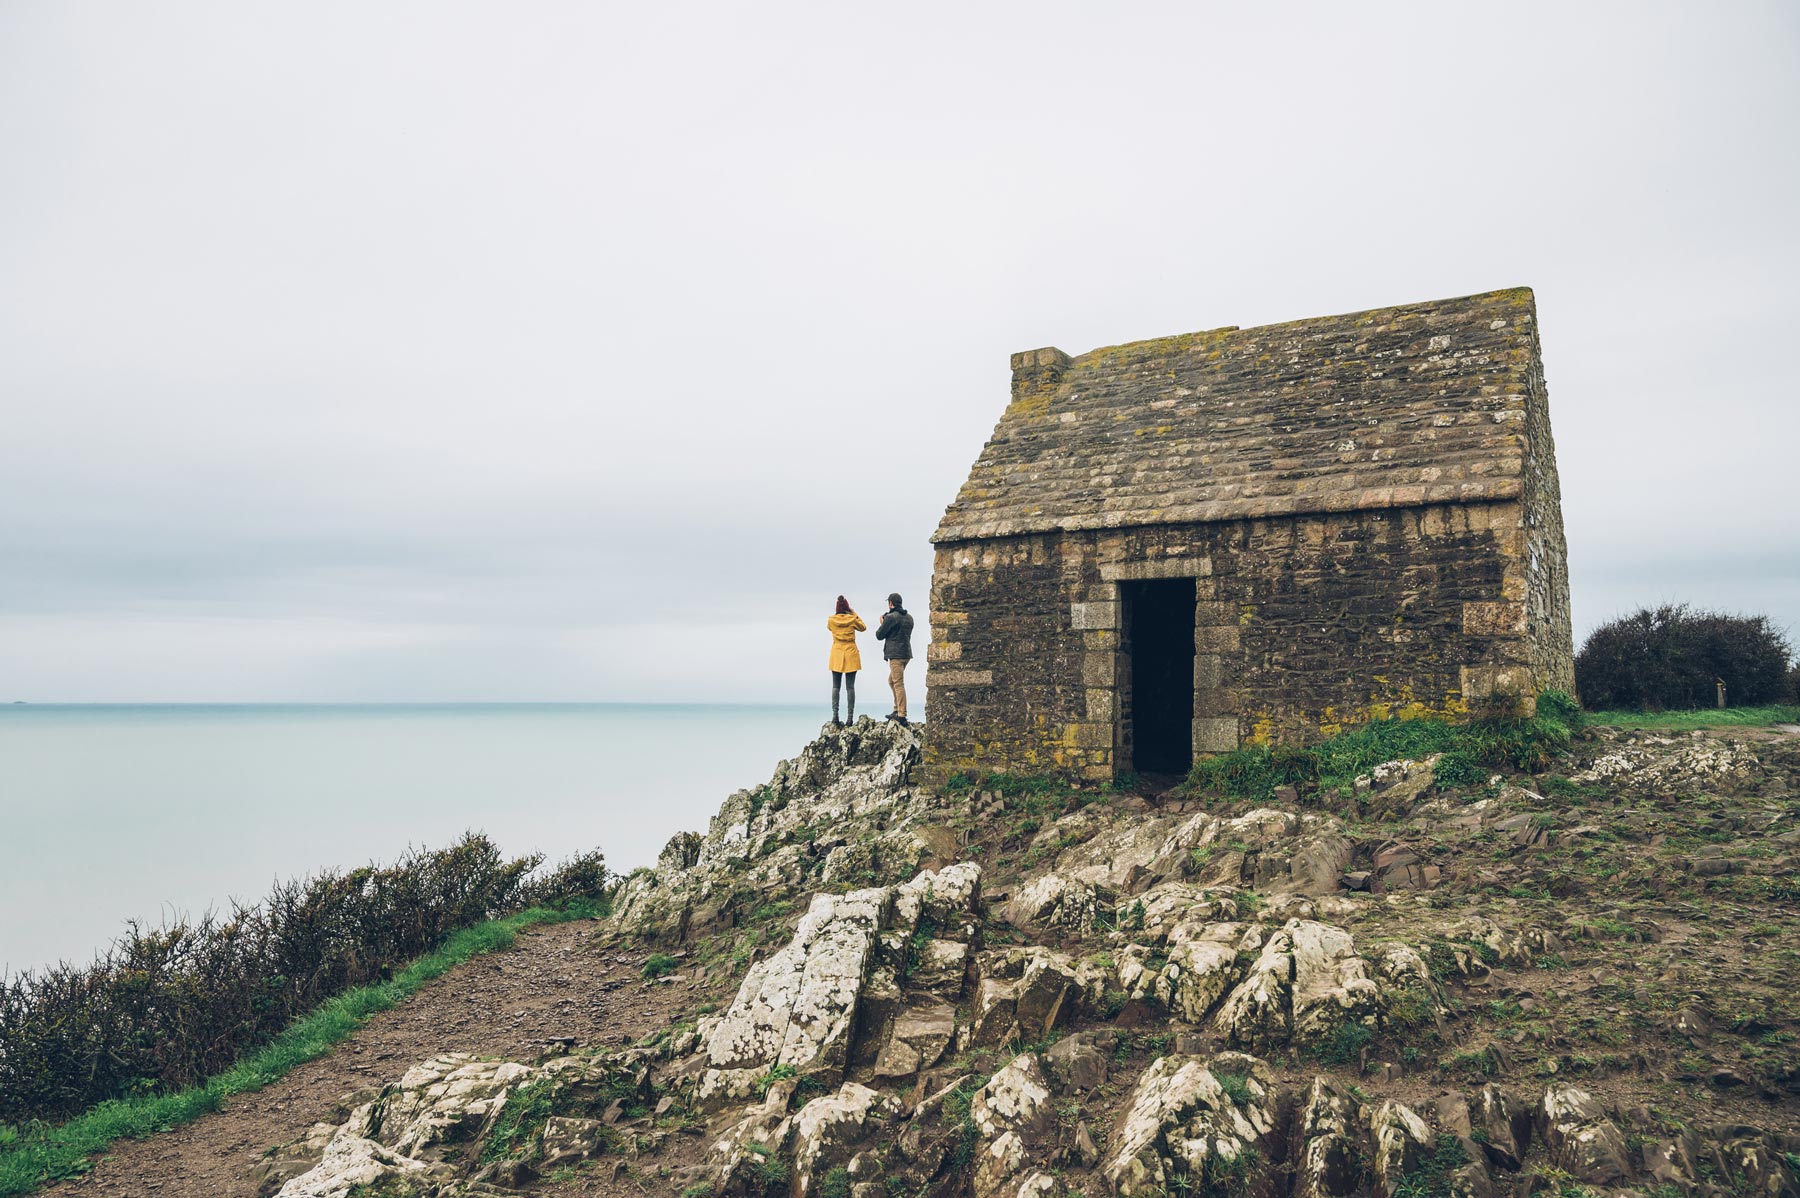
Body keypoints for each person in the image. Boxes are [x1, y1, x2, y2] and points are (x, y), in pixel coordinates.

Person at [875, 592, 915, 725]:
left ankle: (902, 715)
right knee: (891, 681)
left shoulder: (891, 618)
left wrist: (882, 622)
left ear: (891, 603)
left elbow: (879, 635)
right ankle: (896, 709)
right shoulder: (909, 618)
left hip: (895, 656)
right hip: (906, 654)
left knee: (898, 684)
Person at [827, 595, 865, 726]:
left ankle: (835, 716)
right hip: (851, 653)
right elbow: (863, 627)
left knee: (835, 686)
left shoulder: (831, 620)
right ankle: (850, 718)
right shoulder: (852, 619)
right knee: (850, 687)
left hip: (837, 653)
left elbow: (829, 628)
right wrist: (853, 613)